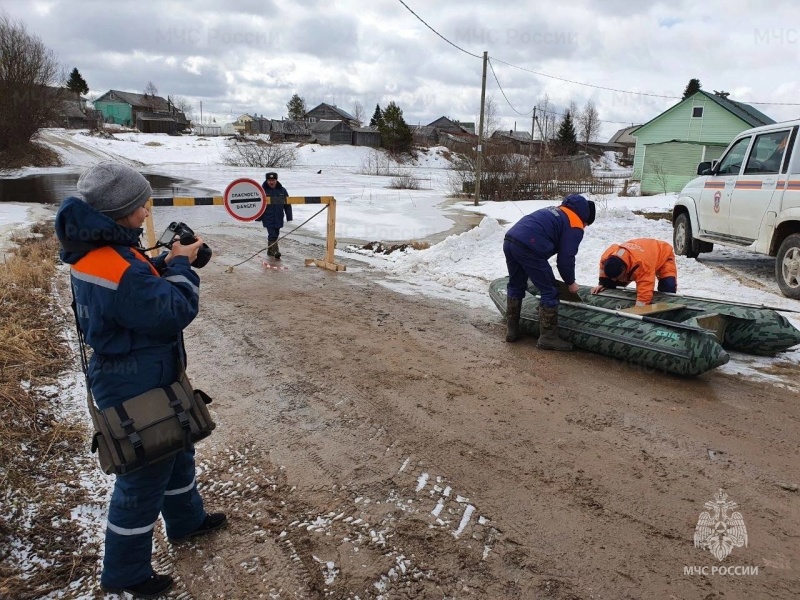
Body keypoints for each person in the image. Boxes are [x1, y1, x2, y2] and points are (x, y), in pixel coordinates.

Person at [55, 162, 227, 598]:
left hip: (144, 372)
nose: (147, 210)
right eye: (141, 204)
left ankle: (187, 522)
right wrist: (183, 268)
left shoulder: (103, 252)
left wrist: (162, 262)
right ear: (121, 212)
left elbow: (132, 288)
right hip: (134, 380)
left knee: (177, 448)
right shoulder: (117, 267)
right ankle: (125, 576)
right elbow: (172, 310)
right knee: (142, 479)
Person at [503, 194, 595, 351]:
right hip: (530, 246)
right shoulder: (575, 223)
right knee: (550, 290)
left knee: (516, 283)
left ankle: (512, 331)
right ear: (585, 219)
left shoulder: (557, 211)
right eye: (586, 225)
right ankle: (548, 337)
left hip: (510, 240)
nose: (584, 228)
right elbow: (565, 259)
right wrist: (570, 282)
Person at [591, 238, 678, 306]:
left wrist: (639, 310)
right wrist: (603, 283)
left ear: (624, 270)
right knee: (613, 285)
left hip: (663, 253)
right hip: (642, 252)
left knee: (668, 287)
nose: (615, 280)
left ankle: (667, 310)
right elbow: (603, 270)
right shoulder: (607, 257)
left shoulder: (642, 266)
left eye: (617, 277)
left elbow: (645, 290)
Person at [256, 171, 293, 259]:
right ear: (267, 181)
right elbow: (257, 204)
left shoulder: (282, 190)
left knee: (276, 233)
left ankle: (270, 251)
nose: (271, 182)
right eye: (269, 180)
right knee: (272, 234)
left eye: (273, 180)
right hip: (267, 216)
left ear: (276, 180)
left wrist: (289, 216)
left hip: (279, 216)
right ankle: (276, 251)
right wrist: (257, 217)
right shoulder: (262, 190)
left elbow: (287, 204)